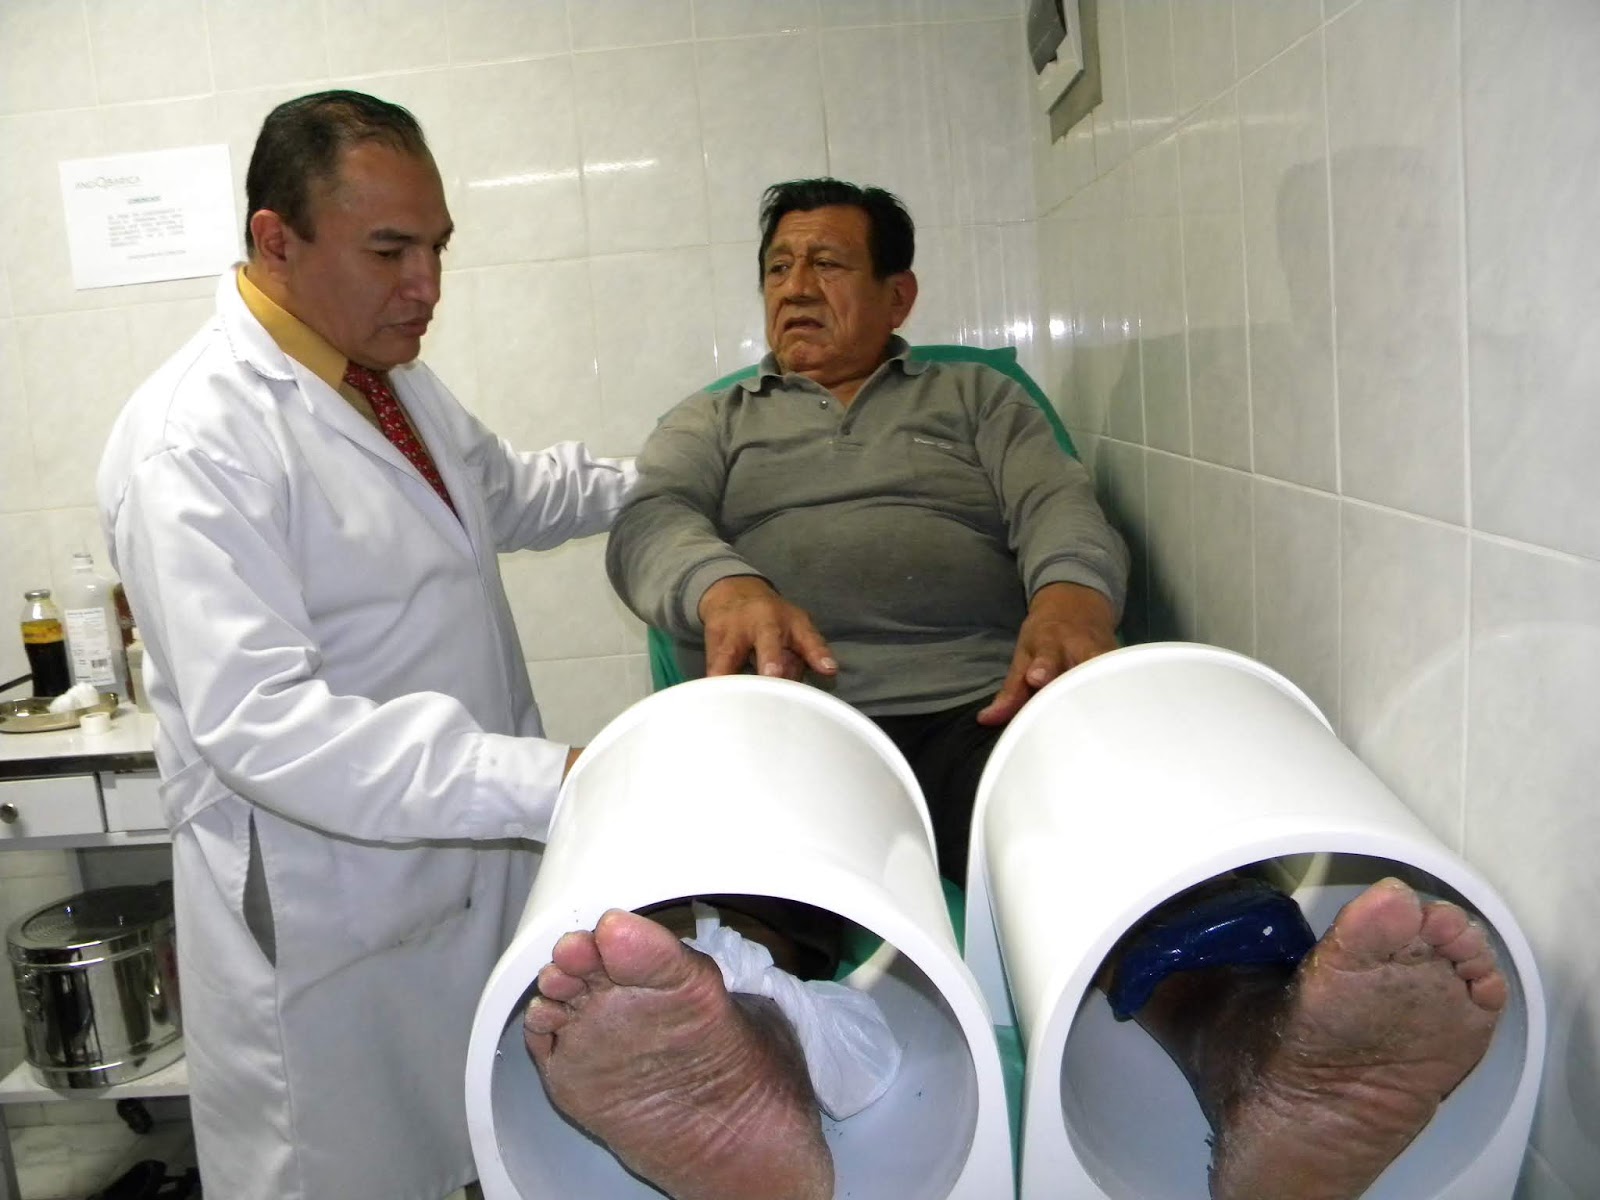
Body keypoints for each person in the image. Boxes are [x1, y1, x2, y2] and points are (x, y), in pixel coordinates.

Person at [520, 179, 1507, 1200]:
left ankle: (1261, 1060)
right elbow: (652, 519)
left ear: (898, 295)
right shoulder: (714, 419)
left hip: (986, 700)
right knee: (740, 882)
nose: (795, 287)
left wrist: (1071, 593)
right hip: (797, 712)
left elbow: (1056, 503)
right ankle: (741, 1069)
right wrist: (722, 584)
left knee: (1121, 856)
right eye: (778, 267)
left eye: (828, 263)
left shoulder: (974, 399)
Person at [96, 91, 635, 1200]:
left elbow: (504, 493)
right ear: (275, 241)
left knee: (468, 1144)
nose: (427, 285)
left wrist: (682, 482)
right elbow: (266, 728)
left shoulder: (383, 377)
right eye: (390, 251)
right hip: (329, 910)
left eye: (437, 248)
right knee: (348, 1168)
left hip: (448, 871)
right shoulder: (196, 440)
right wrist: (549, 781)